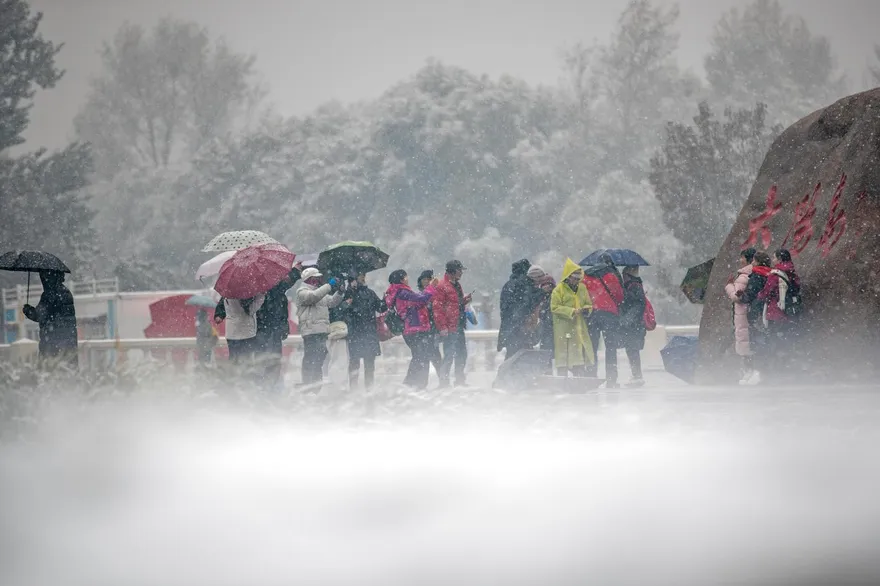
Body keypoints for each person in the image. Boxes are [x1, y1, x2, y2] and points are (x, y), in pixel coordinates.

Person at [386, 269, 436, 389]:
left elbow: (416, 304)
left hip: (414, 329)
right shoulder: (402, 292)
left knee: (420, 357)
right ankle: (411, 384)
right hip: (414, 329)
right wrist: (430, 287)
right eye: (406, 277)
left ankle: (418, 384)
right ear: (402, 279)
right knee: (420, 357)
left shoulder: (399, 292)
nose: (408, 279)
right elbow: (420, 299)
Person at [757, 249, 801, 382]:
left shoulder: (775, 274)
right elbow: (796, 287)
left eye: (775, 258)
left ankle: (774, 371)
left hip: (775, 312)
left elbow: (766, 292)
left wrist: (759, 296)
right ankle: (788, 368)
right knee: (786, 340)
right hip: (788, 312)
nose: (773, 260)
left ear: (780, 259)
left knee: (773, 341)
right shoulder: (791, 272)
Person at [295, 267, 344, 386]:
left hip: (322, 331)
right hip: (310, 331)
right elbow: (313, 297)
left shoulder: (319, 291)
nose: (318, 280)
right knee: (311, 358)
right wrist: (329, 285)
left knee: (320, 357)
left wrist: (340, 292)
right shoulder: (302, 292)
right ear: (309, 279)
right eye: (316, 278)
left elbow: (332, 302)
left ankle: (316, 384)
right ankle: (308, 383)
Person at [583, 253, 624, 388]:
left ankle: (591, 376)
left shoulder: (586, 276)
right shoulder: (611, 275)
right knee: (610, 347)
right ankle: (611, 379)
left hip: (591, 314)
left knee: (592, 347)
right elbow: (619, 296)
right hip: (609, 314)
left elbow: (583, 296)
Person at [256, 267, 301, 390]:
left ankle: (266, 387)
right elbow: (284, 285)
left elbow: (285, 285)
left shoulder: (267, 288)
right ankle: (267, 388)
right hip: (269, 330)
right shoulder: (269, 289)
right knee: (271, 360)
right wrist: (295, 272)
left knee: (271, 361)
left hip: (270, 329)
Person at [22, 270, 78, 367]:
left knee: (48, 372)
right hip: (68, 341)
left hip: (52, 341)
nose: (43, 280)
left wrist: (28, 310)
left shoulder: (49, 294)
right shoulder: (66, 292)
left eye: (44, 277)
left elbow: (39, 315)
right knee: (66, 370)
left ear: (50, 277)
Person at [550, 259, 594, 377]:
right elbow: (554, 307)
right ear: (568, 277)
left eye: (578, 279)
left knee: (578, 354)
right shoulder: (558, 290)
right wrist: (571, 311)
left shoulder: (582, 288)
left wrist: (586, 309)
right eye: (574, 278)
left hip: (578, 327)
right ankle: (562, 379)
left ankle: (579, 377)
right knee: (564, 354)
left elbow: (588, 303)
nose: (576, 281)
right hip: (563, 328)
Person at [432, 260, 472, 388]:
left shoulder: (457, 285)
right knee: (449, 355)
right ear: (453, 271)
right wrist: (442, 327)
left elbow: (455, 304)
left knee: (462, 353)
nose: (461, 273)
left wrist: (464, 301)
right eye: (460, 270)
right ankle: (444, 382)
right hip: (449, 327)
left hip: (459, 325)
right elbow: (438, 309)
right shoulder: (442, 286)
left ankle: (459, 380)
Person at [344, 272, 385, 390]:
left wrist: (385, 300)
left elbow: (380, 307)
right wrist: (350, 291)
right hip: (356, 333)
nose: (363, 277)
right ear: (354, 278)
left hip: (369, 332)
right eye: (361, 275)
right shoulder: (348, 293)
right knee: (354, 362)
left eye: (364, 275)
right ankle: (353, 388)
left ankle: (369, 388)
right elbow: (343, 309)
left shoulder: (370, 293)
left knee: (369, 362)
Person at [738, 251, 772, 384]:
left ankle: (753, 371)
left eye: (754, 261)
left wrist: (740, 296)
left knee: (753, 342)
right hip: (767, 312)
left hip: (756, 311)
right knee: (764, 340)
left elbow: (751, 295)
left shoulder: (756, 275)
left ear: (757, 262)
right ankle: (764, 370)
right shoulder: (770, 274)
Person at [725, 248, 756, 384]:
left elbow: (736, 297)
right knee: (748, 343)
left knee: (745, 344)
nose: (740, 260)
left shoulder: (744, 276)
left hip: (743, 314)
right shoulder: (754, 273)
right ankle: (749, 372)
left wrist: (729, 286)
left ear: (748, 259)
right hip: (748, 314)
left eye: (742, 257)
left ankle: (748, 373)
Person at [497, 258, 534, 360]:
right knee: (521, 356)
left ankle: (505, 375)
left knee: (511, 355)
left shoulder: (508, 285)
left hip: (509, 327)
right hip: (520, 327)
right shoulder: (524, 285)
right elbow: (525, 305)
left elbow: (504, 308)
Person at [618, 266, 647, 387]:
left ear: (628, 275)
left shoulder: (634, 286)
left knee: (633, 350)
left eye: (624, 274)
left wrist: (628, 319)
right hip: (633, 325)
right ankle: (636, 375)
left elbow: (639, 305)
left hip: (634, 326)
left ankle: (637, 376)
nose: (623, 276)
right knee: (631, 350)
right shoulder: (633, 286)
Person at [526, 265, 556, 372]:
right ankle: (546, 374)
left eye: (550, 286)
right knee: (544, 353)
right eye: (545, 285)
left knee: (549, 353)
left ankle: (548, 374)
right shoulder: (537, 295)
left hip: (550, 328)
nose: (548, 287)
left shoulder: (555, 297)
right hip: (541, 328)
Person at [224, 295, 264, 364]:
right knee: (246, 361)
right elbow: (250, 311)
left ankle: (232, 374)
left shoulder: (228, 295)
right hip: (245, 333)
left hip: (231, 332)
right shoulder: (245, 295)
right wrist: (260, 297)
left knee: (234, 360)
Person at [417, 269, 443, 376]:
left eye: (429, 279)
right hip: (423, 330)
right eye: (424, 279)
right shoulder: (420, 295)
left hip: (433, 329)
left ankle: (442, 379)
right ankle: (425, 381)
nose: (427, 282)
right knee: (425, 357)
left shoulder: (437, 294)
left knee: (435, 354)